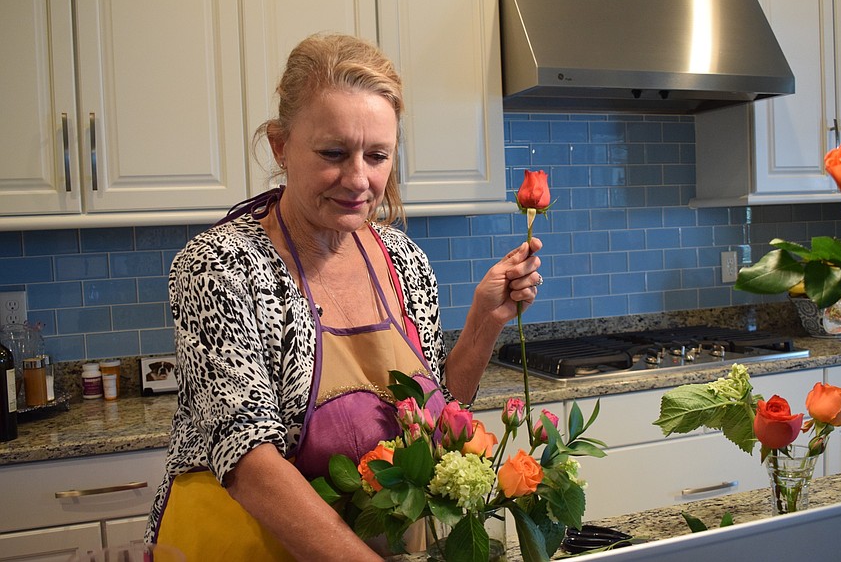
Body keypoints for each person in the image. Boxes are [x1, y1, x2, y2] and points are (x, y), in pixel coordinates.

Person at [145, 33, 543, 561]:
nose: (359, 179)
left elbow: (432, 424)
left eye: (377, 155)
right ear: (280, 146)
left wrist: (484, 323)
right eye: (334, 153)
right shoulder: (221, 267)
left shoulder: (403, 260)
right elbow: (248, 462)